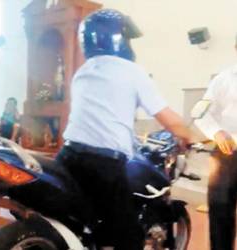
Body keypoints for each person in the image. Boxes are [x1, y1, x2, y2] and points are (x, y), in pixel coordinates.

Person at [56, 9, 193, 250]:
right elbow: (167, 118)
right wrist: (188, 136)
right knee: (127, 236)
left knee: (81, 219)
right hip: (103, 165)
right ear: (118, 39)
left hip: (68, 156)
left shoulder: (83, 72)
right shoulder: (131, 71)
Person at [195, 36, 237, 250]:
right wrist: (217, 132)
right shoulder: (223, 79)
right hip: (227, 152)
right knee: (221, 211)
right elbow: (200, 112)